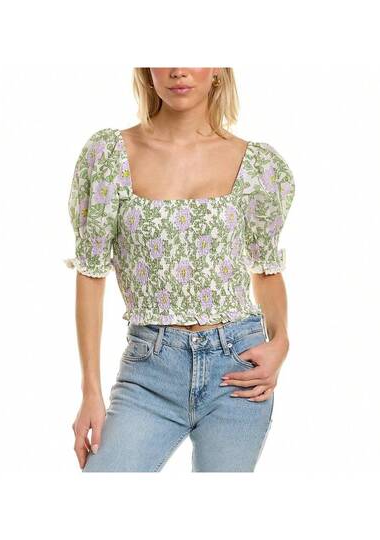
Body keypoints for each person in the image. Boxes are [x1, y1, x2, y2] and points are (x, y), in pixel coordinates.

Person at [65, 67, 295, 472]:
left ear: (218, 70)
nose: (178, 70)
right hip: (149, 371)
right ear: (146, 69)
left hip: (237, 368)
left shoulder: (257, 165)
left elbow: (266, 269)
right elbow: (91, 274)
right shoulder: (109, 156)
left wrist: (281, 342)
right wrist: (90, 392)